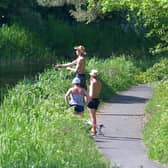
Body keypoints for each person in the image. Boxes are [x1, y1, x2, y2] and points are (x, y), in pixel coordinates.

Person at [87, 70, 102, 136]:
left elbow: (91, 94)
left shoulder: (93, 83)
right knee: (94, 116)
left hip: (92, 100)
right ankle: (93, 129)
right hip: (97, 100)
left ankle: (94, 130)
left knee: (92, 117)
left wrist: (87, 99)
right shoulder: (99, 82)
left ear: (92, 76)